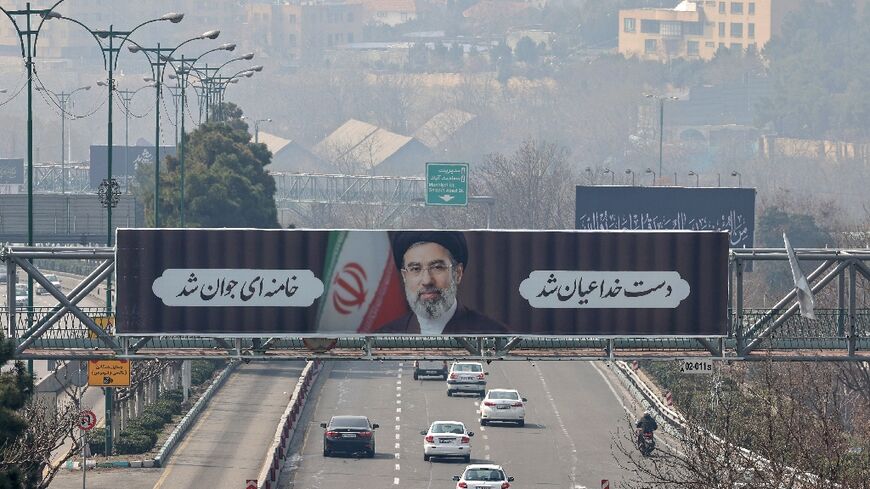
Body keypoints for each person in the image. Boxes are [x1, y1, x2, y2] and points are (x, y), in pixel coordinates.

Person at [377, 231, 509, 335]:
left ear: (458, 273)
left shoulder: (496, 336)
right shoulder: (381, 339)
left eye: (437, 267)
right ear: (405, 276)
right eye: (415, 269)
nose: (427, 280)